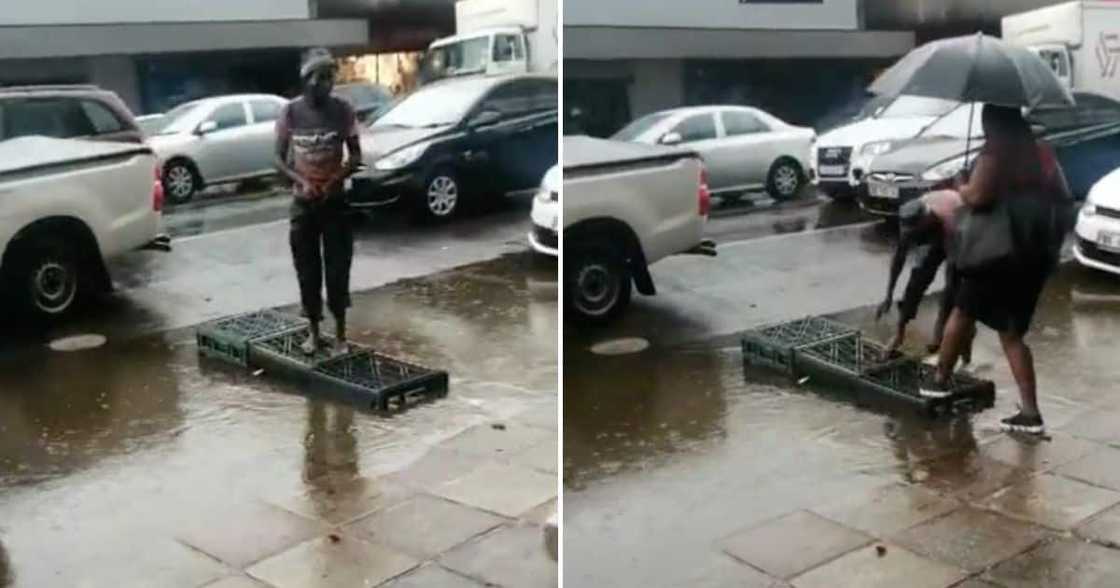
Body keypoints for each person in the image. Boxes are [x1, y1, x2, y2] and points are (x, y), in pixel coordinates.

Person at [923, 104, 1074, 435]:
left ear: (990, 122)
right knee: (1011, 333)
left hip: (994, 254)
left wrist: (962, 184)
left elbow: (977, 197)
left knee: (962, 312)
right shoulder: (1038, 152)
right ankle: (1030, 413)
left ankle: (939, 380)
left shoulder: (995, 154)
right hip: (1031, 254)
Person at [275, 48, 363, 355]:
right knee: (307, 271)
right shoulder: (291, 112)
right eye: (317, 77)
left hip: (335, 204)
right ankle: (313, 332)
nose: (323, 84)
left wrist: (334, 179)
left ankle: (340, 336)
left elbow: (356, 156)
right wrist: (302, 182)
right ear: (305, 79)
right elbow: (277, 159)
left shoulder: (343, 110)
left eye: (328, 77)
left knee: (338, 271)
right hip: (304, 206)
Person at [876, 190, 975, 364]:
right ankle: (899, 335)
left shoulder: (950, 221)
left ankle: (952, 343)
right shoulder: (910, 220)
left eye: (916, 230)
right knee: (918, 278)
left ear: (926, 220)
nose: (911, 234)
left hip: (962, 236)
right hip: (937, 230)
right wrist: (888, 296)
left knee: (953, 291)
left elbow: (954, 273)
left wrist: (941, 331)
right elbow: (899, 259)